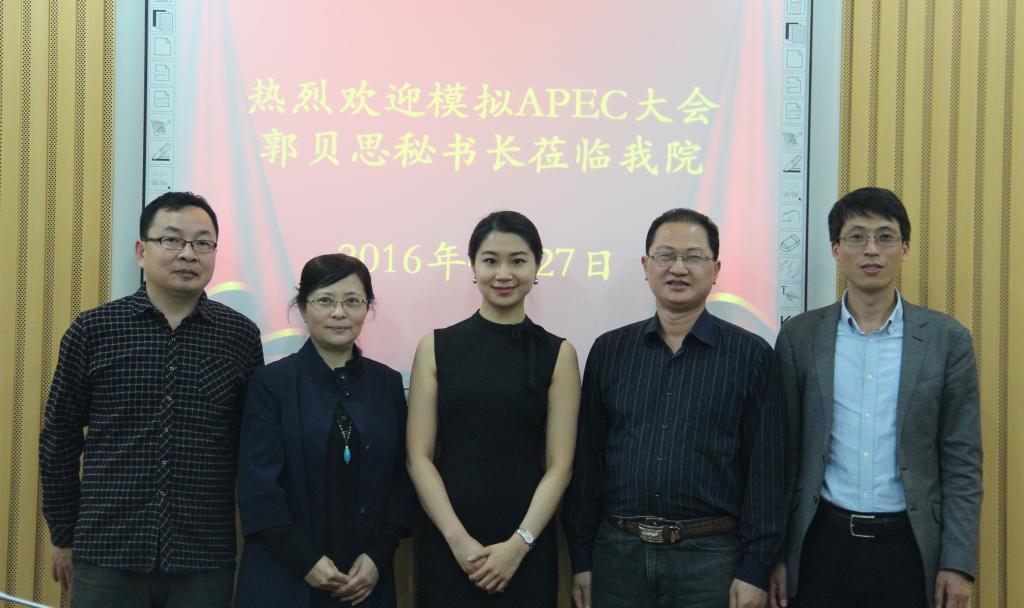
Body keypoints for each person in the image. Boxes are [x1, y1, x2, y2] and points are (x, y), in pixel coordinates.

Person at [39, 192, 265, 607]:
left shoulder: (240, 337)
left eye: (203, 243)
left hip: (202, 556)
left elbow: (250, 448)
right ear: (142, 252)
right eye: (172, 240)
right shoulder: (94, 330)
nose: (188, 254)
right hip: (107, 551)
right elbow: (59, 439)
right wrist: (63, 535)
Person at [769, 187, 982, 608]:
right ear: (836, 250)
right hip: (820, 543)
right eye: (856, 237)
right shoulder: (800, 337)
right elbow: (782, 456)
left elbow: (962, 460)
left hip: (909, 546)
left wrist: (957, 562)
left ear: (904, 248)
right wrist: (774, 555)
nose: (871, 249)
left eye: (885, 237)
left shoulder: (946, 340)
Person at [563, 208, 785, 608]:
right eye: (665, 255)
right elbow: (589, 461)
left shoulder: (751, 356)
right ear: (646, 266)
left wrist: (755, 568)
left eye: (694, 257)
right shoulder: (609, 351)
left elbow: (766, 471)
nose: (678, 268)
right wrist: (581, 558)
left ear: (716, 270)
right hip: (618, 555)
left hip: (711, 558)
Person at [406, 210, 581, 607]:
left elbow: (560, 466)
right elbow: (418, 458)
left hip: (526, 542)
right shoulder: (435, 347)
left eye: (517, 261)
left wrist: (519, 545)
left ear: (536, 266)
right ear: (473, 266)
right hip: (448, 538)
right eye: (490, 260)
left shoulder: (558, 354)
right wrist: (458, 541)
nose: (503, 273)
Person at [235, 253, 414, 608]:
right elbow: (258, 486)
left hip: (365, 579)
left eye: (352, 301)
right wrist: (305, 560)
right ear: (303, 308)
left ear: (367, 308)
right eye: (325, 300)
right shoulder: (271, 383)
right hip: (285, 575)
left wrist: (378, 556)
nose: (339, 313)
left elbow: (402, 479)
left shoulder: (387, 384)